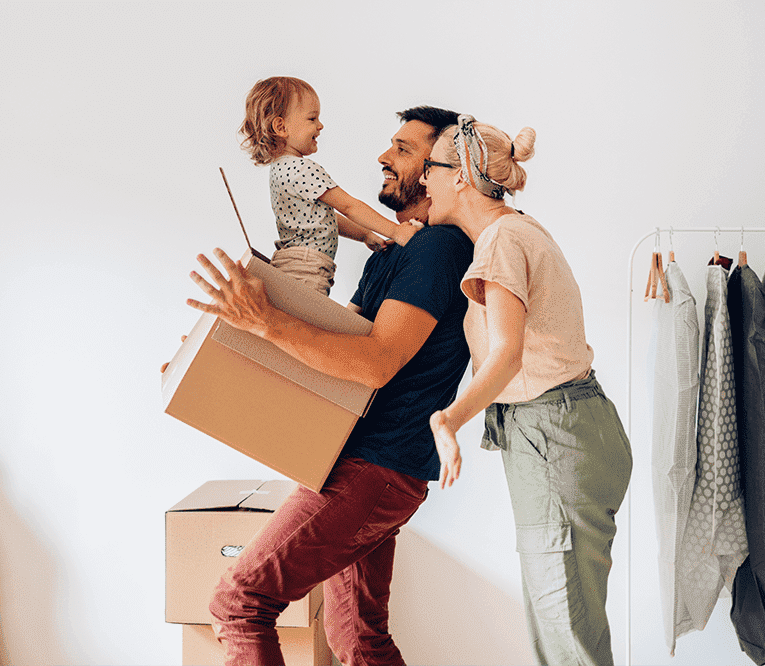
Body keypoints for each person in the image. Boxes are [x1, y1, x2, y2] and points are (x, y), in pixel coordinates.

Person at [185, 106, 471, 666]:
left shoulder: (439, 248)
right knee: (356, 638)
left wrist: (264, 321)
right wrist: (230, 338)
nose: (384, 157)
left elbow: (375, 364)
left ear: (442, 169)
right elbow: (333, 351)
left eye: (404, 150)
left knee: (240, 604)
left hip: (375, 466)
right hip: (365, 463)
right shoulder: (394, 251)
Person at [425, 115, 633, 666]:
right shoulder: (518, 229)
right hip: (568, 430)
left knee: (567, 640)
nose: (423, 179)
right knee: (568, 629)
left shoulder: (499, 241)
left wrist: (449, 419)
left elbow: (506, 354)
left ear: (460, 176)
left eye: (430, 167)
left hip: (554, 436)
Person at [240, 76, 421, 295]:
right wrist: (396, 231)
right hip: (307, 269)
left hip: (292, 263)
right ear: (281, 127)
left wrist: (364, 235)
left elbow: (323, 216)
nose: (320, 125)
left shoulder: (280, 169)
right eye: (312, 118)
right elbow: (349, 206)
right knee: (308, 315)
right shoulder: (302, 168)